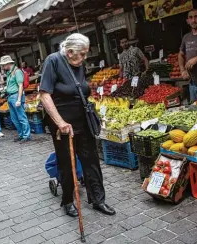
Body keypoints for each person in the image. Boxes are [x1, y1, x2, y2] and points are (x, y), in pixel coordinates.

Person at [40, 33, 116, 217]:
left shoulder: (78, 64)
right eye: (81, 54)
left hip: (83, 119)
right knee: (67, 163)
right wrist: (60, 122)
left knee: (91, 160)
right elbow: (44, 94)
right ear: (69, 51)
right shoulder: (53, 61)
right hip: (62, 123)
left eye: (85, 54)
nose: (84, 58)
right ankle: (67, 201)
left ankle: (98, 199)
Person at [0, 55, 31, 143]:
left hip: (16, 96)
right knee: (14, 118)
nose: (3, 66)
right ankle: (21, 135)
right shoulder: (9, 72)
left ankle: (26, 136)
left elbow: (20, 86)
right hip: (10, 96)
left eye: (3, 64)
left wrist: (18, 99)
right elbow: (8, 84)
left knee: (21, 117)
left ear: (8, 63)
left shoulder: (17, 71)